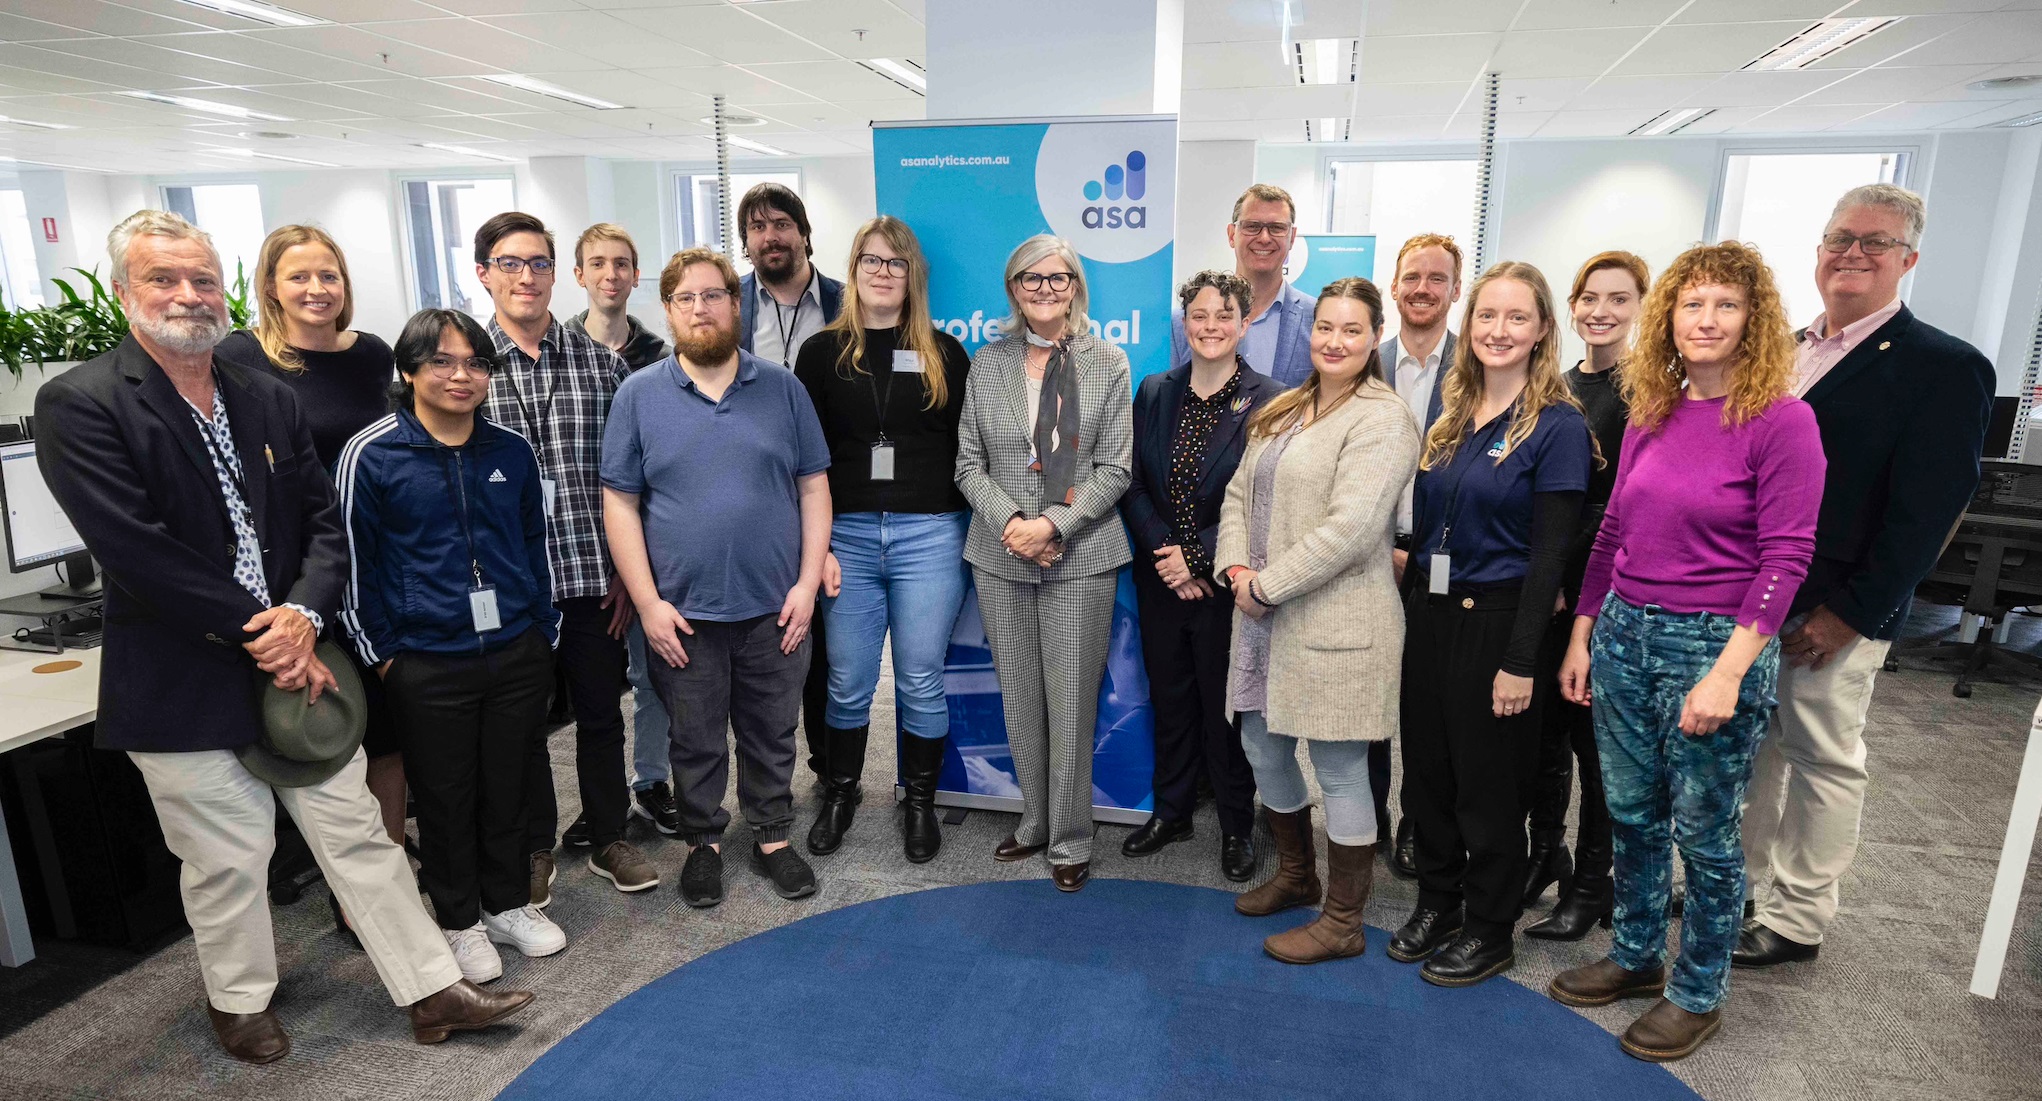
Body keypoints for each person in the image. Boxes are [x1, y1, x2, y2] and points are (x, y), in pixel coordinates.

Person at [35, 210, 530, 1063]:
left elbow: (319, 521)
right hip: (184, 673)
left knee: (358, 833)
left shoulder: (261, 391)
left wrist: (303, 615)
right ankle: (240, 1000)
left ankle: (431, 988)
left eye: (199, 279)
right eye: (164, 279)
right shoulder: (82, 403)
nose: (188, 295)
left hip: (301, 663)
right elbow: (133, 548)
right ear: (124, 294)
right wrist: (259, 629)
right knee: (227, 855)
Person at [1550, 240, 1825, 1062]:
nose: (1706, 320)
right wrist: (1582, 633)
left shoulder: (1783, 420)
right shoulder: (1652, 412)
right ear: (1669, 317)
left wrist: (1729, 673)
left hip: (1714, 643)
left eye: (1726, 305)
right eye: (1692, 304)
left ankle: (1697, 990)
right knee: (1630, 813)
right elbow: (1611, 533)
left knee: (1704, 834)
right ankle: (1635, 955)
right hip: (1626, 632)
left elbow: (1786, 559)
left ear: (1755, 320)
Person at [1736, 184, 1996, 968]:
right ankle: (1739, 883)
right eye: (1839, 238)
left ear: (1908, 258)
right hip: (1748, 597)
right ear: (1817, 253)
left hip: (1833, 606)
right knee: (1748, 750)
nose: (1852, 253)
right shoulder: (1780, 348)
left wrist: (1854, 610)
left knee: (1820, 755)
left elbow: (1928, 513)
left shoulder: (1942, 367)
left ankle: (1796, 916)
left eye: (1874, 242)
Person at [338, 309, 572, 986]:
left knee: (509, 784)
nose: (461, 376)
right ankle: (459, 916)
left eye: (475, 363)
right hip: (423, 658)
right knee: (444, 794)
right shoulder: (372, 453)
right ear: (409, 370)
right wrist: (384, 655)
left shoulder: (510, 452)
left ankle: (506, 904)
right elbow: (355, 563)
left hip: (514, 648)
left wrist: (543, 628)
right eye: (441, 361)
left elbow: (536, 544)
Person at [602, 247, 832, 908]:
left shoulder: (782, 388)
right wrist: (646, 603)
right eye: (685, 298)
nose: (700, 309)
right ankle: (702, 843)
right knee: (694, 736)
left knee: (771, 729)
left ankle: (771, 836)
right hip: (683, 611)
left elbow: (814, 488)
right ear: (670, 311)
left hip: (773, 603)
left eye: (713, 295)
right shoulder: (640, 394)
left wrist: (806, 585)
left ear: (736, 304)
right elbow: (620, 502)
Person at [1390, 260, 1592, 988]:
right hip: (1433, 616)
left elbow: (1549, 560)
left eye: (1516, 317)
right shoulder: (1452, 416)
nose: (1498, 330)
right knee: (1430, 777)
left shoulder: (1558, 427)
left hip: (1502, 622)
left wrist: (1520, 661)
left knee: (1489, 784)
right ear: (1468, 325)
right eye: (1487, 316)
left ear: (1541, 329)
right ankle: (1439, 901)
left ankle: (1489, 925)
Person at [1217, 276, 1419, 963]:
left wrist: (1265, 584)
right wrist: (1236, 570)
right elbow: (1240, 493)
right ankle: (1298, 875)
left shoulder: (1382, 417)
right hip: (1262, 614)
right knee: (1261, 747)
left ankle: (1342, 918)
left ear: (1373, 337)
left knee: (1338, 767)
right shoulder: (1286, 407)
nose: (1334, 340)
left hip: (1336, 620)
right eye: (1325, 327)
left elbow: (1355, 527)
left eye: (1352, 329)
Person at [215, 224, 406, 949]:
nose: (317, 289)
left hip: (375, 561)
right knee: (326, 729)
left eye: (328, 274)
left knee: (385, 730)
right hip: (298, 571)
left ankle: (378, 883)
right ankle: (345, 887)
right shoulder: (242, 359)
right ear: (271, 287)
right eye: (299, 277)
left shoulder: (371, 355)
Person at [472, 211, 657, 900]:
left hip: (589, 575)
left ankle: (610, 833)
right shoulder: (468, 365)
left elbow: (629, 479)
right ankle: (533, 846)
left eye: (539, 263)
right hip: (507, 585)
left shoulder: (603, 365)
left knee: (602, 714)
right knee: (520, 727)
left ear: (558, 273)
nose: (526, 276)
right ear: (484, 273)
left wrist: (624, 571)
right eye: (511, 263)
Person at [954, 234, 1133, 893]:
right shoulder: (988, 362)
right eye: (1032, 279)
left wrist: (1054, 524)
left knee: (1071, 699)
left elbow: (1115, 468)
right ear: (1013, 289)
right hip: (1001, 553)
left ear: (1076, 286)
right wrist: (1014, 525)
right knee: (1022, 694)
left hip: (1081, 554)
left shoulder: (1106, 361)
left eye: (1058, 280)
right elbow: (966, 463)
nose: (1045, 290)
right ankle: (1033, 819)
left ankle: (1070, 835)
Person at [793, 216, 972, 862]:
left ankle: (919, 802)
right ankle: (841, 794)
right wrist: (817, 549)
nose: (881, 272)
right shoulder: (820, 354)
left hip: (931, 533)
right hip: (849, 538)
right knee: (848, 678)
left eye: (895, 262)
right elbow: (803, 460)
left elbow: (967, 450)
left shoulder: (944, 352)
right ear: (855, 267)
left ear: (912, 274)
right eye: (870, 260)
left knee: (922, 677)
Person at [1121, 270, 1281, 881]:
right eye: (1200, 315)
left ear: (1244, 324)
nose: (1211, 326)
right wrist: (1169, 553)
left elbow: (1264, 499)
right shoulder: (1156, 390)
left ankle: (1238, 825)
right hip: (1162, 580)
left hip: (1228, 582)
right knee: (1170, 697)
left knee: (1227, 707)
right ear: (1184, 323)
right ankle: (1173, 810)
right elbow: (1133, 482)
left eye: (1224, 316)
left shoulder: (1270, 398)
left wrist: (1201, 556)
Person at [1524, 250, 1650, 940]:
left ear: (1639, 308)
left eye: (1619, 299)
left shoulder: (1647, 393)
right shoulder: (1562, 385)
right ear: (1571, 306)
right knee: (1542, 735)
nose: (1601, 310)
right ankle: (1547, 851)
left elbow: (1613, 508)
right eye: (1590, 297)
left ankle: (1594, 882)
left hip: (1597, 594)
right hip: (1544, 591)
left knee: (1593, 746)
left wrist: (1565, 584)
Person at [565, 222, 683, 839]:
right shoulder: (553, 355)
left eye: (622, 264)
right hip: (573, 550)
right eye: (597, 264)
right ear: (579, 275)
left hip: (643, 546)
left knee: (651, 674)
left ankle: (650, 781)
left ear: (637, 276)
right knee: (590, 696)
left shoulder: (661, 360)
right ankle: (601, 800)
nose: (610, 275)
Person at [735, 182, 846, 787]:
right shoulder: (732, 306)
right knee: (770, 646)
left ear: (804, 233)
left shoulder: (843, 302)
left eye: (781, 223)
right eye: (757, 227)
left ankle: (831, 771)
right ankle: (768, 777)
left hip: (831, 488)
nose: (770, 236)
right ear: (747, 243)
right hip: (755, 494)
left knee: (828, 649)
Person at [1381, 231, 1464, 880]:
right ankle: (1371, 819)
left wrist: (1422, 552)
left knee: (1432, 705)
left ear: (1455, 290)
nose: (1422, 288)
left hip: (1443, 561)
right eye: (1412, 276)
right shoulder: (1365, 364)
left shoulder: (1478, 370)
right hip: (1371, 556)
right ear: (1394, 285)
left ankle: (1419, 820)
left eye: (1437, 278)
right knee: (1373, 695)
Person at [1168, 184, 1315, 385]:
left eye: (1277, 228)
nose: (1264, 238)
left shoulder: (1316, 319)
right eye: (1252, 226)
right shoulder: (1182, 322)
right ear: (1231, 235)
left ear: (1292, 238)